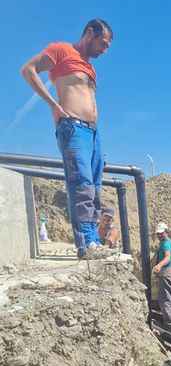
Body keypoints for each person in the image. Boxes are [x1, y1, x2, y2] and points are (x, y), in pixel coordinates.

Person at [20, 18, 113, 259]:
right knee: (82, 185)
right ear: (90, 33)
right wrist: (53, 104)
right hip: (73, 128)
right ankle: (85, 244)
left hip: (93, 132)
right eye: (103, 44)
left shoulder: (89, 67)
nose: (104, 50)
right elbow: (28, 69)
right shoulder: (62, 50)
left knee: (95, 189)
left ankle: (93, 241)